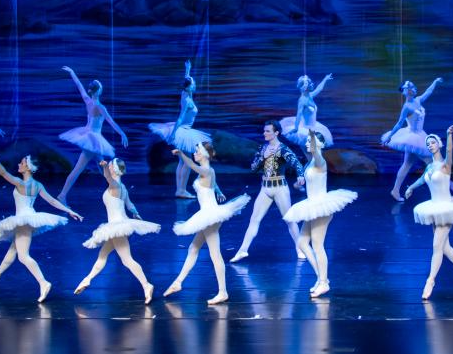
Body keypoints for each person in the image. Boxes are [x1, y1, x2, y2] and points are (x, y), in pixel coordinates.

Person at [0, 151, 83, 302]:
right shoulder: (38, 185)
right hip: (30, 219)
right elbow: (52, 201)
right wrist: (69, 211)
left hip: (23, 221)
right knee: (13, 250)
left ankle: (43, 282)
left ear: (28, 168)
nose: (19, 164)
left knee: (23, 256)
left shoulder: (20, 183)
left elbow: (3, 173)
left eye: (22, 163)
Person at [164, 143, 250, 305]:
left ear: (205, 154)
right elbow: (212, 183)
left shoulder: (206, 170)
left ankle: (223, 292)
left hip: (209, 216)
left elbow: (192, 166)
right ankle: (178, 282)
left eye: (197, 151)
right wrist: (218, 191)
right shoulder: (209, 171)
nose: (195, 153)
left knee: (215, 254)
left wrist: (181, 154)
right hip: (208, 214)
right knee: (193, 248)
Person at [404, 125, 453, 299]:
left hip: (447, 208)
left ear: (439, 144)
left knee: (436, 247)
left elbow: (450, 151)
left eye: (433, 142)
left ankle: (430, 281)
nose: (430, 145)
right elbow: (422, 180)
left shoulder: (446, 165)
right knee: (445, 248)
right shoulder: (429, 167)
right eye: (428, 144)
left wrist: (449, 135)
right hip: (434, 208)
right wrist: (411, 188)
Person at [282, 130, 356, 297]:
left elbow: (315, 151)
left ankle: (323, 282)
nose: (308, 144)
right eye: (308, 141)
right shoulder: (310, 163)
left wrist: (312, 137)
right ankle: (322, 278)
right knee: (302, 243)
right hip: (312, 206)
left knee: (317, 245)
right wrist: (299, 183)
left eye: (311, 141)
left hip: (321, 206)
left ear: (319, 144)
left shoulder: (320, 161)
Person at [75, 159, 159, 303]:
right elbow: (129, 204)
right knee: (102, 255)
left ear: (113, 169)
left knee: (127, 260)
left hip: (117, 227)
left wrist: (104, 167)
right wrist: (136, 214)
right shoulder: (122, 187)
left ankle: (146, 285)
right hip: (118, 226)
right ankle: (87, 279)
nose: (108, 168)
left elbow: (107, 177)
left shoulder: (114, 185)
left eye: (109, 166)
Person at [231, 121, 306, 263]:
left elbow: (296, 163)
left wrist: (300, 175)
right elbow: (253, 168)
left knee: (289, 220)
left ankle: (300, 248)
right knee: (254, 220)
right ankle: (242, 250)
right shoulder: (263, 148)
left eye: (268, 131)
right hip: (265, 188)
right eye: (264, 131)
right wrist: (263, 156)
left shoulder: (283, 149)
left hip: (280, 188)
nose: (264, 133)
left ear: (276, 133)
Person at [57, 66, 129, 205]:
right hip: (93, 139)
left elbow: (79, 87)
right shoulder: (100, 107)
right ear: (99, 91)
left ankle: (115, 192)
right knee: (78, 169)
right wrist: (122, 133)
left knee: (102, 166)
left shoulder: (88, 101)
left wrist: (72, 72)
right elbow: (111, 122)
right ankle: (62, 195)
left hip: (90, 137)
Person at [383, 78, 453, 201]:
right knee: (431, 162)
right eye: (412, 87)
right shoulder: (407, 107)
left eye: (414, 87)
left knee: (407, 164)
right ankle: (448, 184)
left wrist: (435, 82)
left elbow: (428, 92)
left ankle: (395, 190)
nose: (415, 89)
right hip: (412, 137)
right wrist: (390, 136)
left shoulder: (418, 100)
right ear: (408, 91)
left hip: (420, 135)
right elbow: (399, 123)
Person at [149, 60, 211, 198]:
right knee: (187, 162)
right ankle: (181, 190)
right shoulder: (187, 100)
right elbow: (180, 118)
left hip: (184, 131)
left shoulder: (186, 93)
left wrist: (187, 70)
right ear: (188, 87)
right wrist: (173, 134)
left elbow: (186, 80)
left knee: (182, 161)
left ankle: (179, 189)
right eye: (193, 84)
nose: (195, 85)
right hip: (183, 130)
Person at [280, 73, 334, 147]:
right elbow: (299, 115)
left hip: (314, 126)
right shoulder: (302, 100)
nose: (312, 84)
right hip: (306, 129)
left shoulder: (310, 96)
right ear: (305, 86)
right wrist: (296, 128)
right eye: (310, 83)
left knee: (313, 148)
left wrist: (325, 79)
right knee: (309, 148)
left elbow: (319, 89)